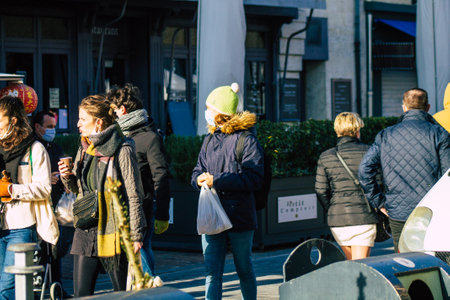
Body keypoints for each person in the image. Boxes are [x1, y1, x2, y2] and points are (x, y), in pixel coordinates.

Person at [58, 95, 147, 297]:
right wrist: (67, 176)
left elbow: (133, 195)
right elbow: (77, 189)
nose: (78, 124)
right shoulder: (85, 147)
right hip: (86, 228)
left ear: (98, 122)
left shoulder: (122, 149)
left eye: (82, 119)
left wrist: (136, 235)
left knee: (120, 293)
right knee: (81, 293)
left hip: (113, 229)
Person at [191, 83, 264, 300]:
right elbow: (196, 170)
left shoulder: (247, 141)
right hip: (213, 213)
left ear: (221, 113)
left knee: (244, 269)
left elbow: (254, 178)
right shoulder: (209, 140)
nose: (206, 112)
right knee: (212, 272)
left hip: (239, 215)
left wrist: (217, 180)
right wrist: (198, 180)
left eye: (209, 108)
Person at [358, 88, 450, 252]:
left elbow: (365, 170)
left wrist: (379, 202)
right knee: (432, 257)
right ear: (427, 107)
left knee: (404, 262)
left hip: (397, 210)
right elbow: (446, 176)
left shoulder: (386, 135)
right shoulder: (439, 134)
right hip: (431, 211)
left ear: (404, 107)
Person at [106, 83, 170, 279]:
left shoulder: (149, 137)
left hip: (143, 205)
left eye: (114, 111)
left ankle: (150, 289)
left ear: (123, 110)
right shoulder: (121, 137)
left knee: (140, 250)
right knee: (138, 253)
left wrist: (162, 214)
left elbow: (161, 176)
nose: (113, 116)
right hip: (124, 206)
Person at [0, 96, 59, 300]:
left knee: (6, 287)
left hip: (21, 226)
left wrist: (11, 190)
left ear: (13, 120)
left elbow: (43, 189)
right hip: (1, 226)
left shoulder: (35, 149)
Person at [315, 112, 378, 260]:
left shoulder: (326, 156)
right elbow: (378, 183)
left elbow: (320, 190)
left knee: (352, 264)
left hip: (338, 219)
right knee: (361, 266)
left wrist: (331, 209)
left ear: (337, 130)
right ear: (357, 130)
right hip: (364, 216)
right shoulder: (370, 151)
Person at [33, 111, 74, 297]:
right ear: (37, 127)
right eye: (48, 126)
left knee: (55, 249)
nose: (52, 130)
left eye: (53, 126)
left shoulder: (55, 148)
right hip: (38, 206)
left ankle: (56, 286)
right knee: (40, 250)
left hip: (56, 205)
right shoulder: (32, 148)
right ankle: (41, 286)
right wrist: (45, 179)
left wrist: (66, 179)